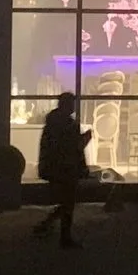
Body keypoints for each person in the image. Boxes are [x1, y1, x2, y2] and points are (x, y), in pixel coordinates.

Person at [33, 92, 94, 248]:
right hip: (66, 168)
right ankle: (63, 236)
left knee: (66, 201)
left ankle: (47, 225)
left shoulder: (52, 123)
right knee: (68, 202)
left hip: (54, 166)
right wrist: (85, 139)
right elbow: (73, 148)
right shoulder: (68, 125)